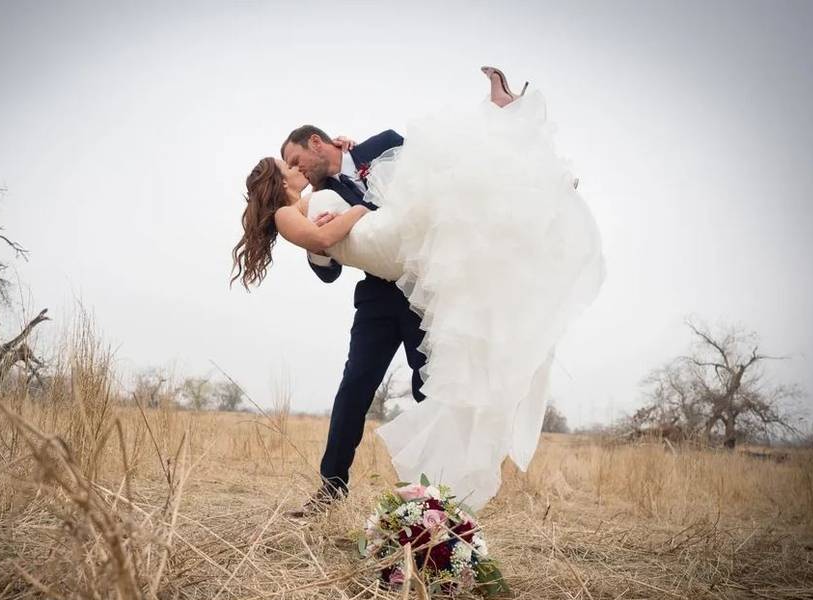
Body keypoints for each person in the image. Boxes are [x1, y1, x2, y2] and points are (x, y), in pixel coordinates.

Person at [232, 66, 604, 511]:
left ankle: (435, 497)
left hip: (422, 291)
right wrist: (320, 246)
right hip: (376, 298)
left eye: (296, 159)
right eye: (288, 168)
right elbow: (329, 269)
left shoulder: (384, 143)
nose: (296, 170)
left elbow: (442, 188)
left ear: (317, 143)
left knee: (432, 385)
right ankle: (331, 488)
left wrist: (361, 208)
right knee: (354, 387)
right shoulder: (318, 195)